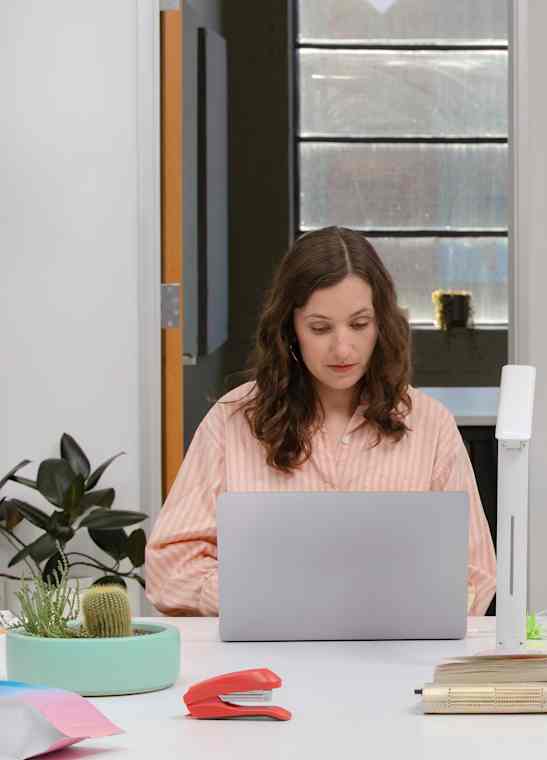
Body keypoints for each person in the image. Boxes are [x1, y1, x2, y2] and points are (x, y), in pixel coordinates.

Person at [146, 227, 497, 616]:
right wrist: (250, 596)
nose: (342, 348)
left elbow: (475, 573)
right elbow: (168, 569)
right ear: (290, 329)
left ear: (381, 323)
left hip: (394, 662)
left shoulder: (431, 426)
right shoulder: (231, 422)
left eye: (360, 324)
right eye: (320, 328)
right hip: (267, 664)